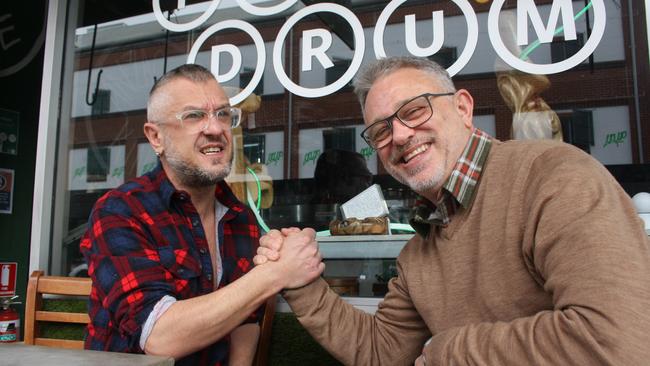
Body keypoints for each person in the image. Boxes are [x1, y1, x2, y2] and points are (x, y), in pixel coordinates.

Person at [254, 56, 650, 365]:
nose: (400, 136)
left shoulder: (553, 177)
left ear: (462, 108)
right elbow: (380, 351)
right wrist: (301, 283)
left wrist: (448, 352)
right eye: (380, 131)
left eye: (414, 111)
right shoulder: (422, 248)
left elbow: (616, 344)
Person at [80, 64, 324, 365]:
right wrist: (277, 272)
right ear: (155, 137)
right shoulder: (120, 211)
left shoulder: (240, 218)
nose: (216, 128)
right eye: (194, 116)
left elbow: (245, 319)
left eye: (223, 114)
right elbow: (158, 335)